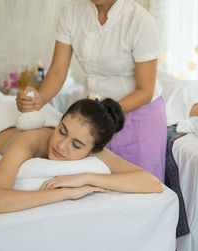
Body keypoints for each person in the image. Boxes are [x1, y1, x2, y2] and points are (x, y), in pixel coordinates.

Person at [16, 0, 167, 182]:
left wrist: (101, 115)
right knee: (95, 189)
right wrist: (38, 99)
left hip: (138, 117)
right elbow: (57, 71)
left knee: (138, 188)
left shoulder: (140, 21)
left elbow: (145, 90)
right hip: (93, 122)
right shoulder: (72, 11)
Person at [0, 98, 163, 215]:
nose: (61, 145)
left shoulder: (94, 148)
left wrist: (86, 178)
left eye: (76, 145)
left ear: (93, 152)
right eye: (61, 131)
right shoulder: (30, 140)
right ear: (58, 122)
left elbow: (152, 183)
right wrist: (66, 193)